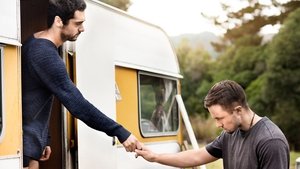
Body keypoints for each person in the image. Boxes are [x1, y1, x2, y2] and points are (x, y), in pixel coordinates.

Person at [22, 0, 141, 168]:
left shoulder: (34, 42)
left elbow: (34, 98)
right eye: (78, 23)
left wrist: (44, 139)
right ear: (58, 21)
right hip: (26, 152)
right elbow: (78, 104)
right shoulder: (45, 54)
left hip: (31, 145)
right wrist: (120, 132)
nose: (82, 28)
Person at [135, 80, 290, 169]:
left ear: (238, 110)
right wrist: (155, 157)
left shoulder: (270, 142)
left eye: (219, 118)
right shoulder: (229, 135)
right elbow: (196, 157)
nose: (217, 125)